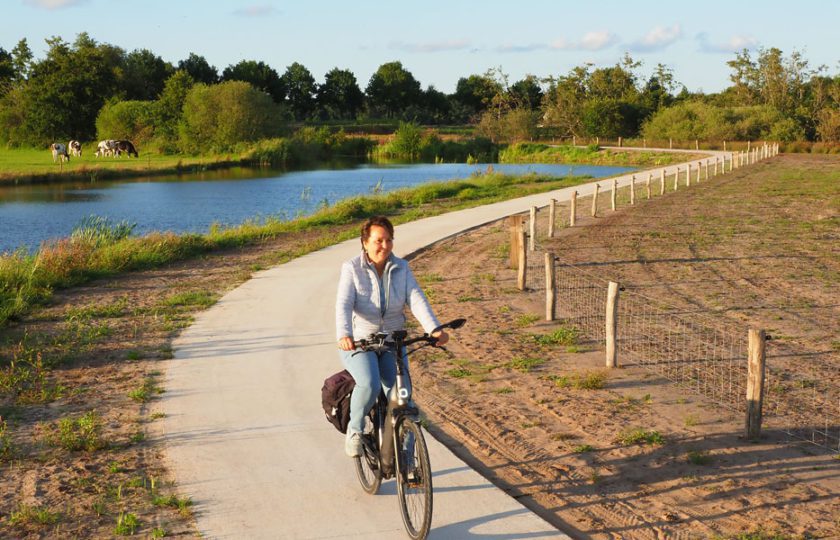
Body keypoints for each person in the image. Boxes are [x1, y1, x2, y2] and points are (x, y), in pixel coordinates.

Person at [336, 216, 448, 457]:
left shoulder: (401, 268)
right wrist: (344, 334)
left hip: (391, 343)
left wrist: (434, 329)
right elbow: (344, 304)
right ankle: (355, 430)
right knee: (370, 384)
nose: (384, 246)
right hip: (360, 343)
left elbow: (416, 299)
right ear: (364, 243)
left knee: (402, 399)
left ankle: (407, 462)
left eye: (388, 240)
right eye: (378, 240)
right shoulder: (352, 268)